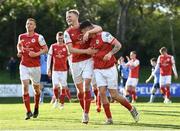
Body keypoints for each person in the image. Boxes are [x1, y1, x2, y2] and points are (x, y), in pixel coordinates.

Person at [79, 20, 139, 124]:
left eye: (84, 31)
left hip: (110, 68)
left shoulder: (104, 35)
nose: (83, 34)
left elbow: (118, 45)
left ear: (89, 29)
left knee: (114, 95)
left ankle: (131, 108)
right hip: (97, 69)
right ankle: (109, 118)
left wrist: (110, 53)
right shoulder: (88, 41)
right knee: (101, 92)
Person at [64, 9, 102, 124]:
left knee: (86, 86)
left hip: (88, 61)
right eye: (67, 17)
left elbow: (99, 28)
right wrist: (86, 50)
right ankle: (84, 110)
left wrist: (88, 32)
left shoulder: (85, 26)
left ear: (76, 16)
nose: (68, 18)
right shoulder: (67, 32)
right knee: (80, 90)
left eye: (70, 16)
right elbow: (70, 50)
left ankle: (85, 114)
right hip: (75, 62)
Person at [17, 18, 48, 120]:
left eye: (31, 24)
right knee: (25, 86)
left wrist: (36, 54)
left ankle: (36, 107)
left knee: (36, 90)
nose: (29, 25)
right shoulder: (21, 36)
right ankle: (28, 111)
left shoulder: (39, 37)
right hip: (24, 65)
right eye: (27, 24)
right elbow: (19, 45)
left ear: (34, 26)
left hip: (35, 67)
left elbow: (45, 49)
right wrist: (20, 51)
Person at [47, 31, 70, 109]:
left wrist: (70, 68)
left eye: (61, 38)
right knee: (55, 86)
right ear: (56, 38)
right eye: (59, 38)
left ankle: (62, 104)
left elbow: (69, 58)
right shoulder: (53, 46)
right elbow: (49, 58)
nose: (60, 39)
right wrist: (48, 69)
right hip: (55, 70)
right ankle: (56, 100)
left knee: (63, 86)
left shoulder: (66, 46)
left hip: (64, 70)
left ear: (63, 38)